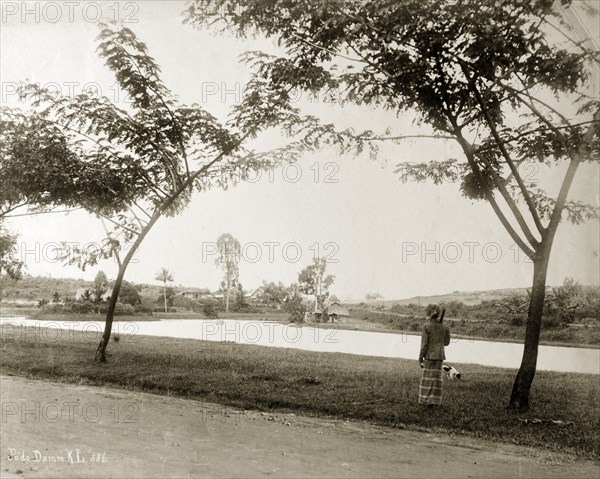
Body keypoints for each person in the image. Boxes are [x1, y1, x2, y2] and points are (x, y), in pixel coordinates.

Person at [418, 305, 450, 407]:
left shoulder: (426, 326)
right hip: (439, 356)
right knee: (436, 380)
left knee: (427, 379)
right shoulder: (445, 327)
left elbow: (424, 344)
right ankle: (435, 402)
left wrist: (420, 357)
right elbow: (446, 343)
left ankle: (426, 401)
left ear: (429, 316)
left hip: (429, 356)